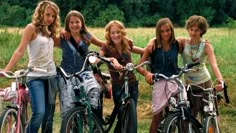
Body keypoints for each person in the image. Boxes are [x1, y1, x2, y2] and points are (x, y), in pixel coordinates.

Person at [2, 1, 61, 132]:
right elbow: (20, 50)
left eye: (53, 16)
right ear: (40, 13)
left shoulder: (51, 31)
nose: (50, 18)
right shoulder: (31, 28)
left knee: (48, 117)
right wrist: (7, 69)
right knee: (39, 113)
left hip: (51, 76)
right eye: (48, 15)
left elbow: (65, 44)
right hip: (35, 76)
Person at [54, 10, 105, 122]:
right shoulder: (63, 37)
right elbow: (48, 41)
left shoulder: (87, 36)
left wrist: (98, 57)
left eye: (77, 22)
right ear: (67, 24)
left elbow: (104, 45)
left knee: (94, 89)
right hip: (66, 74)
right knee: (68, 106)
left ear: (82, 23)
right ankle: (70, 125)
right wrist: (60, 31)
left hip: (84, 72)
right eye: (71, 22)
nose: (74, 25)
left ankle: (89, 119)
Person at [137, 18, 182, 133]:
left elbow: (193, 42)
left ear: (171, 30)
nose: (165, 33)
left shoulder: (177, 44)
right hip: (160, 81)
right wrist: (147, 73)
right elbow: (139, 66)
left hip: (174, 81)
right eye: (162, 31)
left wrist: (203, 42)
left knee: (180, 112)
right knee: (157, 117)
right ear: (158, 32)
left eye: (168, 30)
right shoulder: (153, 46)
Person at [99, 20, 143, 133]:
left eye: (118, 32)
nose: (116, 35)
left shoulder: (127, 43)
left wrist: (148, 53)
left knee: (131, 115)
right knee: (121, 115)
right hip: (118, 85)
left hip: (132, 83)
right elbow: (98, 59)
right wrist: (112, 59)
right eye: (113, 33)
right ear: (109, 34)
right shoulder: (106, 47)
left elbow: (143, 51)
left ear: (122, 32)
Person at [178, 15, 223, 118]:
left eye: (197, 30)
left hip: (205, 82)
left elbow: (214, 65)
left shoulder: (206, 46)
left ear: (202, 31)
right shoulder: (182, 42)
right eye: (191, 29)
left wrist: (220, 80)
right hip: (189, 84)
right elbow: (166, 40)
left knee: (211, 114)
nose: (193, 32)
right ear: (188, 29)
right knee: (189, 116)